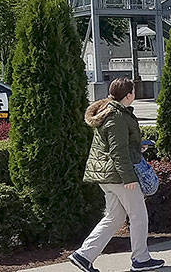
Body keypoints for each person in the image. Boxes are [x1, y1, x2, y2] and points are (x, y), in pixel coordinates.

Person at [70, 78, 164, 272]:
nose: (135, 94)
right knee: (138, 215)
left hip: (108, 175)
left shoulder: (110, 111)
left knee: (115, 216)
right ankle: (141, 259)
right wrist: (129, 178)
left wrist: (138, 147)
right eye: (133, 91)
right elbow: (117, 151)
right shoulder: (116, 116)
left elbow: (117, 146)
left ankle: (83, 255)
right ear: (129, 95)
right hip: (118, 176)